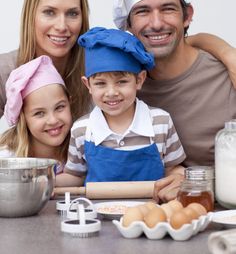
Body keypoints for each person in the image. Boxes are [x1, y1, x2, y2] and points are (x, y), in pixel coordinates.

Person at [112, 0, 236, 201]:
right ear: (129, 25)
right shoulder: (123, 88)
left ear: (187, 15)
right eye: (143, 12)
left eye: (168, 9)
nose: (156, 23)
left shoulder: (227, 74)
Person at [56, 27, 186, 200]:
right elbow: (75, 176)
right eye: (101, 84)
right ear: (88, 85)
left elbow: (173, 168)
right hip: (97, 216)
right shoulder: (82, 130)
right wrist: (45, 182)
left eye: (122, 82)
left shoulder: (160, 122)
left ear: (139, 80)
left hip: (150, 214)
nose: (111, 92)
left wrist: (181, 177)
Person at [0, 0, 90, 123]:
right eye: (49, 12)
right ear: (31, 16)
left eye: (72, 13)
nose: (62, 26)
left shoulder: (97, 71)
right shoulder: (4, 70)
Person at [0, 55, 72, 174]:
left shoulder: (80, 151)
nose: (53, 120)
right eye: (39, 113)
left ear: (70, 102)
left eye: (59, 107)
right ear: (23, 118)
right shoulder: (6, 160)